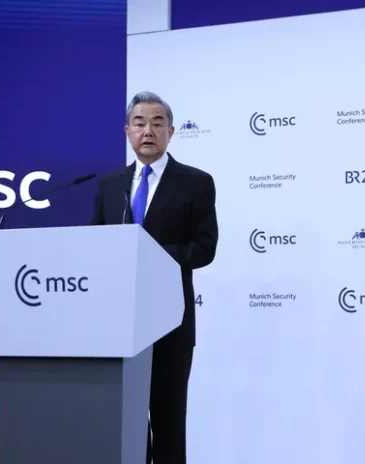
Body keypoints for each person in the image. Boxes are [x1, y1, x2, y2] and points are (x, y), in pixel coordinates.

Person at [91, 91, 219, 463]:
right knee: (125, 426)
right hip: (118, 325)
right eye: (140, 123)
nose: (148, 131)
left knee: (168, 423)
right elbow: (95, 245)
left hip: (170, 325)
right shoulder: (110, 185)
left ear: (171, 132)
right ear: (127, 131)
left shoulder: (195, 183)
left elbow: (204, 248)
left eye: (157, 123)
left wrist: (150, 254)